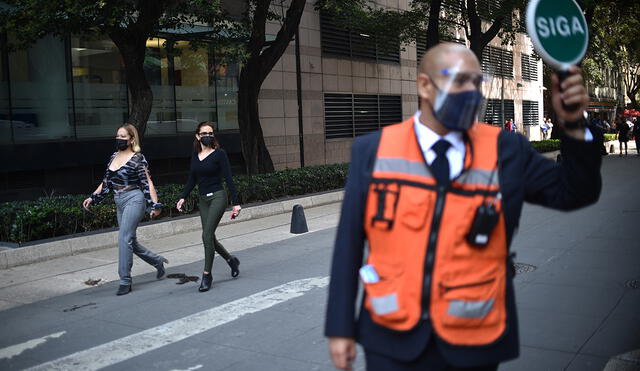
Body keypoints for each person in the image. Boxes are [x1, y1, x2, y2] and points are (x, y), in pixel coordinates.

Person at [325, 43, 602, 371]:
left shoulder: (507, 149)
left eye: (476, 81)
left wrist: (573, 126)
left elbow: (574, 192)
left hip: (475, 341)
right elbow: (349, 244)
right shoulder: (373, 150)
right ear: (424, 85)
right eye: (459, 81)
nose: (471, 91)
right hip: (390, 337)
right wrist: (340, 328)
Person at [82, 124, 167, 296]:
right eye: (117, 136)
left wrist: (155, 205)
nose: (119, 139)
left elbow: (148, 182)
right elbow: (106, 182)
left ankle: (125, 280)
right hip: (118, 200)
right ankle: (157, 261)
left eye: (123, 136)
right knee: (130, 241)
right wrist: (93, 196)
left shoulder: (138, 158)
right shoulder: (113, 156)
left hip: (134, 198)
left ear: (131, 139)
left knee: (124, 238)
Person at [176, 121, 242, 292]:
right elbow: (192, 178)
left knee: (206, 235)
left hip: (218, 197)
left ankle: (207, 275)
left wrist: (236, 203)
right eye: (204, 133)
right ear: (197, 136)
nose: (208, 136)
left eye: (210, 133)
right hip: (203, 200)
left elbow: (228, 178)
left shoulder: (219, 154)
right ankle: (231, 260)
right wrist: (183, 196)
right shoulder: (195, 154)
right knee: (210, 237)